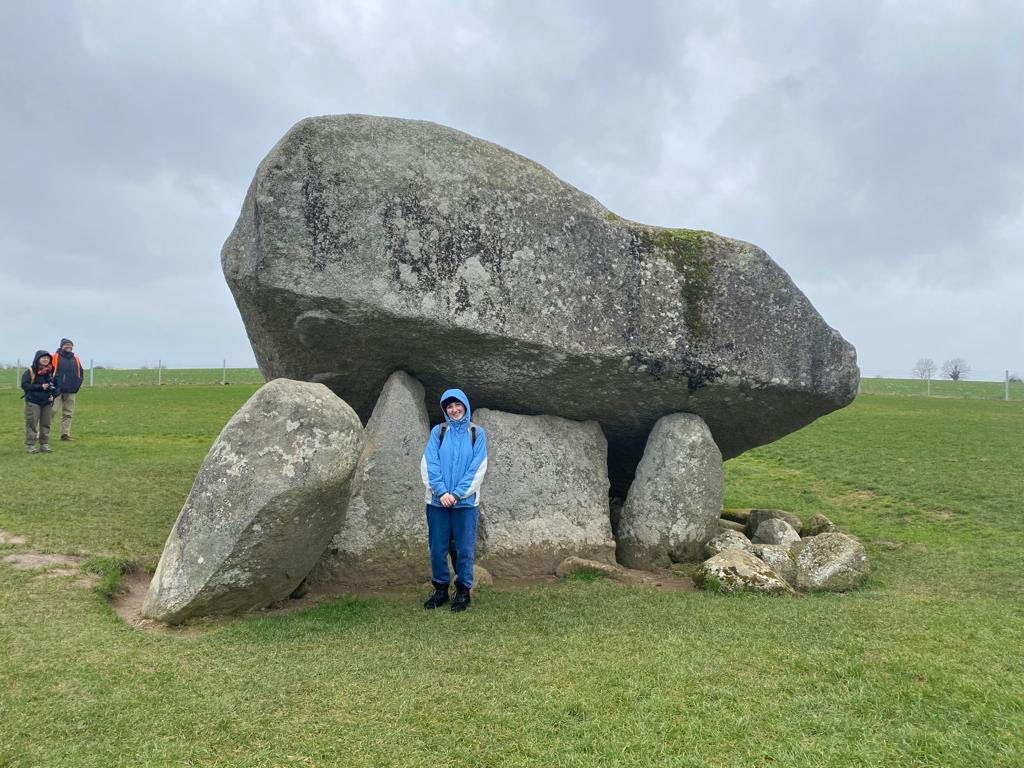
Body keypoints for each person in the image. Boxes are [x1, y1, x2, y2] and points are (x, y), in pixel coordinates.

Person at [420, 388, 488, 612]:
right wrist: (441, 492)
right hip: (437, 502)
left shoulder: (477, 433)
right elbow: (429, 463)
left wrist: (457, 494)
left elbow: (478, 467)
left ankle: (463, 591)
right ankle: (440, 589)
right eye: (449, 406)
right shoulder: (438, 432)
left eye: (458, 405)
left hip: (465, 504)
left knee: (464, 548)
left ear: (465, 406)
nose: (454, 409)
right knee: (437, 547)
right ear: (445, 410)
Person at [21, 350, 59, 453]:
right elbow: (25, 385)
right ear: (38, 359)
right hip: (33, 401)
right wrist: (40, 386)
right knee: (32, 424)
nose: (46, 359)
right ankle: (30, 445)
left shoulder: (51, 372)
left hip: (47, 402)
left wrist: (53, 395)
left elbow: (57, 387)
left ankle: (44, 444)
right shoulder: (30, 371)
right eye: (43, 358)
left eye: (48, 358)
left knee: (46, 424)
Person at [51, 338, 84, 441]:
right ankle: (41, 433)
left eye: (70, 345)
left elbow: (80, 373)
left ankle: (65, 434)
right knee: (51, 411)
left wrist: (77, 385)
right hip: (56, 390)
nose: (69, 347)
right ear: (61, 346)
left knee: (68, 413)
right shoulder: (54, 357)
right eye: (66, 345)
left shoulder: (76, 358)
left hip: (71, 390)